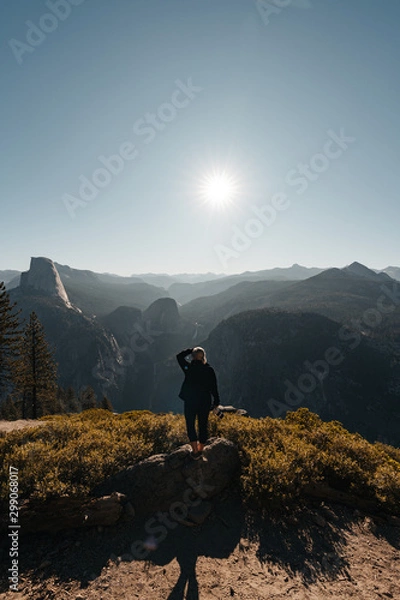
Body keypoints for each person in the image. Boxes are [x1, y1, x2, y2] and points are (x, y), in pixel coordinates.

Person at [176, 346, 220, 460]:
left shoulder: (189, 368)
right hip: (204, 401)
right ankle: (201, 450)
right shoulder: (209, 370)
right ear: (203, 357)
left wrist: (191, 350)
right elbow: (214, 387)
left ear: (193, 357)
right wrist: (216, 402)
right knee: (203, 425)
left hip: (190, 401)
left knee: (190, 424)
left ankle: (194, 451)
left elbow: (179, 356)